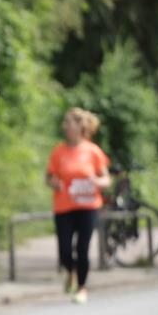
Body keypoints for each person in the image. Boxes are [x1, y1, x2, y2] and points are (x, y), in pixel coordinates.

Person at [45, 108, 111, 303]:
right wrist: (54, 183)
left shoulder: (93, 151)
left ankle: (82, 287)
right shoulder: (58, 151)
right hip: (64, 207)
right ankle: (70, 270)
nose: (64, 126)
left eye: (68, 122)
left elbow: (106, 178)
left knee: (83, 248)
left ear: (79, 126)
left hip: (88, 206)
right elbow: (48, 177)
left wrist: (98, 182)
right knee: (65, 250)